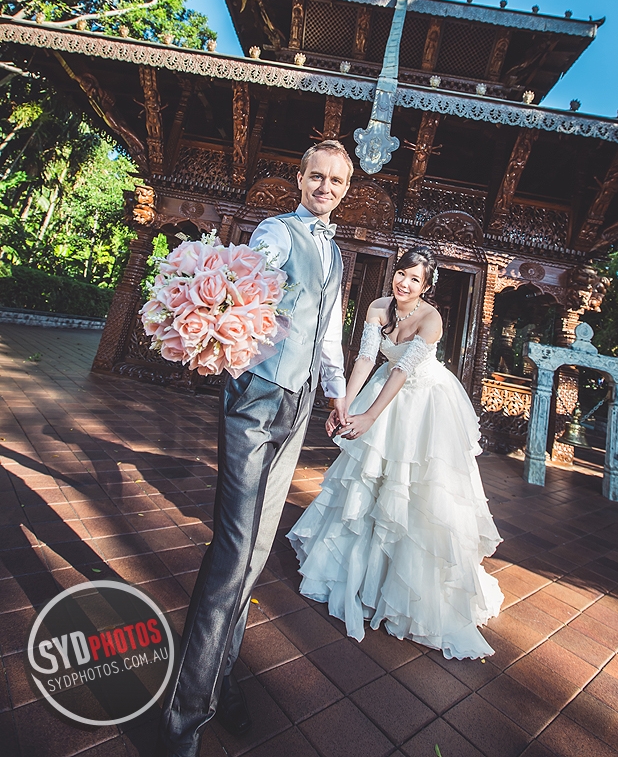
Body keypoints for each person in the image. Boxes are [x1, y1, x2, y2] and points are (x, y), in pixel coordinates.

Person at [158, 140, 352, 757]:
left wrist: (335, 393)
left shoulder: (335, 253)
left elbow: (328, 331)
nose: (324, 188)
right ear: (300, 178)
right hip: (256, 397)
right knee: (233, 550)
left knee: (258, 550)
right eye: (316, 176)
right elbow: (243, 286)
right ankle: (185, 719)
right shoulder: (276, 232)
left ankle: (220, 678)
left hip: (298, 405)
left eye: (336, 181)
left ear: (346, 189)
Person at [288, 245, 504, 661]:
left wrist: (370, 415)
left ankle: (407, 587)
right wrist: (343, 404)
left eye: (415, 279)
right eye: (402, 273)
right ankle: (359, 572)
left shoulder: (431, 319)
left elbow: (403, 370)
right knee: (368, 481)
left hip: (424, 403)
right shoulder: (378, 307)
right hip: (383, 387)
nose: (404, 283)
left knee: (413, 489)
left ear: (426, 286)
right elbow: (367, 359)